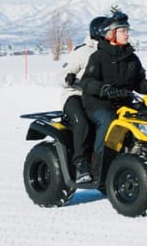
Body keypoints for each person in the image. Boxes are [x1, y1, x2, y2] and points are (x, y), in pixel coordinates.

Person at [79, 11, 147, 175]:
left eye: (127, 30)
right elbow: (86, 82)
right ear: (110, 34)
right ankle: (98, 164)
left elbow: (138, 83)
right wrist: (103, 89)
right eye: (123, 31)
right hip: (98, 103)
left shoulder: (132, 58)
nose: (127, 34)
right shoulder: (98, 57)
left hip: (124, 102)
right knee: (109, 120)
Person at [60, 16, 107, 184]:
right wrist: (69, 79)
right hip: (75, 95)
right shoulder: (82, 52)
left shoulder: (109, 52)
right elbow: (61, 74)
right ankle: (81, 164)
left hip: (98, 97)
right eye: (108, 31)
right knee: (82, 122)